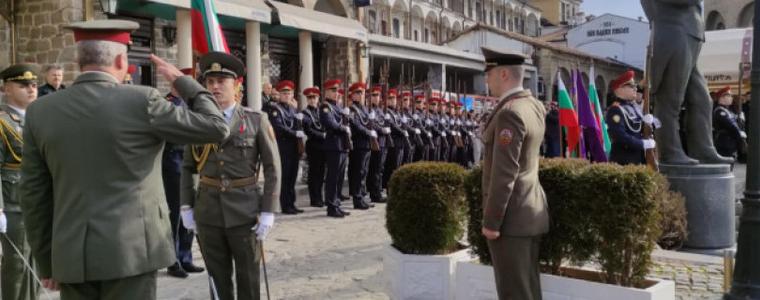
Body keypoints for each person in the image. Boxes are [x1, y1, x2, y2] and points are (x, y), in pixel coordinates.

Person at [18, 20, 230, 299]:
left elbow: (33, 194)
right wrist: (184, 82)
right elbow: (217, 127)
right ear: (121, 59)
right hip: (133, 252)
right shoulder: (143, 101)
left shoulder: (40, 111)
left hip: (71, 256)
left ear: (79, 59)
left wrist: (47, 262)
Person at [179, 51, 280, 300]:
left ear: (236, 85)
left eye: (221, 82)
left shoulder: (256, 120)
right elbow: (188, 167)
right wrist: (186, 205)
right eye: (210, 81)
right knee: (216, 279)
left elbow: (272, 167)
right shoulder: (197, 121)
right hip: (208, 211)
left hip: (245, 212)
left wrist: (268, 210)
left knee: (248, 277)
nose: (214, 87)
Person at [480, 47, 549, 300]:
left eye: (489, 73)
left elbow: (504, 174)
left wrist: (491, 222)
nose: (486, 79)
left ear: (504, 74)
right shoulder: (533, 105)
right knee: (528, 289)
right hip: (530, 211)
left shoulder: (510, 113)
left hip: (511, 219)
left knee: (514, 292)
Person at [641, 0, 733, 165]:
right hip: (674, 31)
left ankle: (703, 149)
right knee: (670, 101)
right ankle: (671, 152)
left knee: (702, 100)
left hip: (688, 32)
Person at [0, 63, 41, 300]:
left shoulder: (39, 119)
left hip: (38, 201)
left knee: (36, 260)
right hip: (14, 203)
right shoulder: (4, 121)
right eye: (23, 85)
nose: (31, 89)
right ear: (7, 88)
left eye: (34, 85)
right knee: (16, 263)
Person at [162, 68, 205, 279]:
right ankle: (173, 261)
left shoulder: (192, 104)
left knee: (190, 211)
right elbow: (171, 135)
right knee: (176, 213)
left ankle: (186, 257)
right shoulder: (168, 103)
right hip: (175, 164)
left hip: (193, 165)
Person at [605, 71, 657, 165]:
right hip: (624, 161)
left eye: (635, 85)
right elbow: (620, 136)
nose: (635, 88)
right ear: (619, 89)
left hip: (639, 160)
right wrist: (642, 144)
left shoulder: (634, 108)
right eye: (631, 86)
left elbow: (646, 129)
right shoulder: (615, 110)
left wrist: (651, 122)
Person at [269, 80, 304, 215]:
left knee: (293, 177)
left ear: (292, 94)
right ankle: (285, 205)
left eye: (288, 93)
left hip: (294, 148)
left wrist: (299, 117)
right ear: (279, 94)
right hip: (283, 148)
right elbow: (279, 128)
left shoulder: (292, 109)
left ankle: (292, 203)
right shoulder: (275, 110)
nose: (286, 95)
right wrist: (295, 133)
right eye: (283, 93)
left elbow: (298, 125)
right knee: (285, 178)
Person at [319, 79, 352, 218]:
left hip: (342, 145)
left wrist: (346, 115)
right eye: (333, 90)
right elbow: (330, 123)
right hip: (333, 146)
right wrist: (343, 127)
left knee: (339, 178)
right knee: (332, 177)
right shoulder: (325, 106)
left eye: (336, 90)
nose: (336, 93)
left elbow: (345, 123)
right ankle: (331, 207)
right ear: (326, 91)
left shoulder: (337, 107)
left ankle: (337, 203)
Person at [347, 82, 376, 210]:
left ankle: (362, 197)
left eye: (362, 93)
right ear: (352, 95)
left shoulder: (364, 109)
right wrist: (368, 132)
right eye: (357, 93)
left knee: (364, 172)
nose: (361, 95)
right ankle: (357, 199)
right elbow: (357, 126)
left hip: (366, 144)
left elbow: (367, 123)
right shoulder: (352, 109)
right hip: (358, 144)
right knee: (358, 172)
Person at [302, 86, 327, 207]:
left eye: (314, 97)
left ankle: (319, 197)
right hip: (313, 145)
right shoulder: (305, 113)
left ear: (318, 98)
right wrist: (322, 134)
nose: (312, 100)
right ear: (307, 99)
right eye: (310, 98)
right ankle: (314, 199)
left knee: (321, 173)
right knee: (314, 174)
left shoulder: (321, 111)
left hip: (323, 146)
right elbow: (309, 130)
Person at [367, 86, 390, 204]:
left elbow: (383, 123)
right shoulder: (369, 110)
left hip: (383, 142)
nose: (376, 98)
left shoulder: (380, 111)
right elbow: (372, 125)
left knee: (380, 169)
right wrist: (382, 130)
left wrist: (388, 123)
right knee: (375, 169)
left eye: (378, 95)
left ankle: (378, 191)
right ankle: (374, 194)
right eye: (374, 95)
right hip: (375, 143)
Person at [382, 89, 408, 189]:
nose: (393, 101)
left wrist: (404, 124)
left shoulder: (396, 113)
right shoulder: (387, 112)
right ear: (385, 100)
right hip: (393, 142)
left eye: (394, 98)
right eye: (390, 98)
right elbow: (393, 126)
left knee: (398, 166)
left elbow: (400, 124)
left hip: (400, 142)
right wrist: (402, 131)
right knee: (392, 167)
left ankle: (396, 186)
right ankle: (390, 188)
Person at [712, 86, 746, 158]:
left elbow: (739, 124)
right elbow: (731, 125)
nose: (731, 98)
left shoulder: (728, 111)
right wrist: (740, 136)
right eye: (729, 95)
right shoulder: (720, 111)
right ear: (722, 97)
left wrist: (741, 119)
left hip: (730, 142)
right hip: (724, 143)